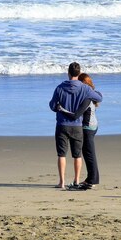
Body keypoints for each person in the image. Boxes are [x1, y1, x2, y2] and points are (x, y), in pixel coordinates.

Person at [49, 62, 102, 190]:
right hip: (78, 126)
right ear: (78, 74)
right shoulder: (85, 88)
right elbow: (99, 98)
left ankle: (61, 182)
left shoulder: (60, 88)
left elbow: (52, 106)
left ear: (68, 73)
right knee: (77, 155)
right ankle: (76, 180)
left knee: (62, 154)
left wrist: (58, 108)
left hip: (62, 124)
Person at [59, 73, 100, 190]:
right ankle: (92, 178)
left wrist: (62, 109)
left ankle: (92, 180)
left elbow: (76, 115)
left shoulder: (87, 98)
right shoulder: (92, 94)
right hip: (93, 126)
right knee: (88, 153)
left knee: (89, 154)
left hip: (88, 128)